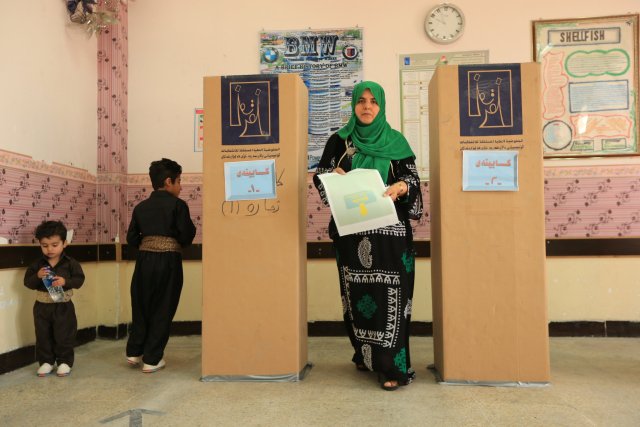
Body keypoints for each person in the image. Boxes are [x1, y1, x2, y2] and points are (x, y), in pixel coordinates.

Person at [313, 81, 423, 391]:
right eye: (361, 101)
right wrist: (330, 178)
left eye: (373, 101)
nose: (366, 106)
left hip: (391, 237)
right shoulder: (339, 141)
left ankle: (393, 368)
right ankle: (365, 355)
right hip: (352, 233)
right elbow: (320, 176)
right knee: (357, 298)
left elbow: (411, 181)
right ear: (353, 106)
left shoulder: (396, 141)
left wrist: (402, 187)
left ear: (381, 106)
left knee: (393, 299)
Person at [125, 158, 196, 373]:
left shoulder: (141, 207)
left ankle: (134, 352)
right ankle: (152, 359)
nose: (181, 186)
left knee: (142, 304)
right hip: (168, 262)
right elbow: (186, 235)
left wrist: (148, 245)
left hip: (144, 261)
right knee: (163, 308)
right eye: (179, 181)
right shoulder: (178, 205)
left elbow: (131, 238)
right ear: (168, 181)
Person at [24, 220, 85, 377]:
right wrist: (37, 276)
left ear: (64, 243)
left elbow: (79, 280)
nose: (49, 249)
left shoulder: (71, 263)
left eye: (54, 244)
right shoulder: (37, 265)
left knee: (64, 334)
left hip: (63, 306)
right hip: (41, 306)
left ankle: (64, 361)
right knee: (43, 335)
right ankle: (46, 362)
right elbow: (28, 283)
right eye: (44, 245)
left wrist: (66, 282)